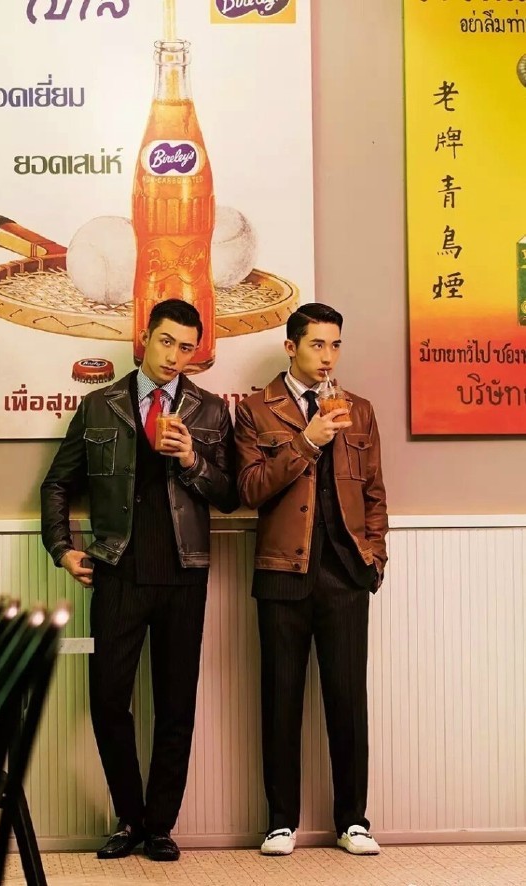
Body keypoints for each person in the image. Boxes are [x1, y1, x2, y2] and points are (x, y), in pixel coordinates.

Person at [41, 299, 238, 862]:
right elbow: (57, 484)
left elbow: (230, 494)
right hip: (117, 570)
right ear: (145, 338)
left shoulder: (210, 410)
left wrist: (193, 459)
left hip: (183, 572)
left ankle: (160, 826)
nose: (174, 356)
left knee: (176, 705)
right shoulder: (98, 406)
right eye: (166, 341)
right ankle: (129, 816)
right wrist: (62, 549)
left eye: (186, 348)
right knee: (108, 700)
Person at [234, 303, 388, 857]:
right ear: (291, 347)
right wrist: (307, 440)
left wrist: (375, 557)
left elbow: (374, 492)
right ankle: (281, 822)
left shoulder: (360, 410)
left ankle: (353, 821)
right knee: (281, 701)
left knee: (348, 701)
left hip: (346, 573)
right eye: (318, 344)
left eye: (335, 345)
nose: (328, 356)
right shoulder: (255, 410)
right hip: (282, 572)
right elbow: (249, 489)